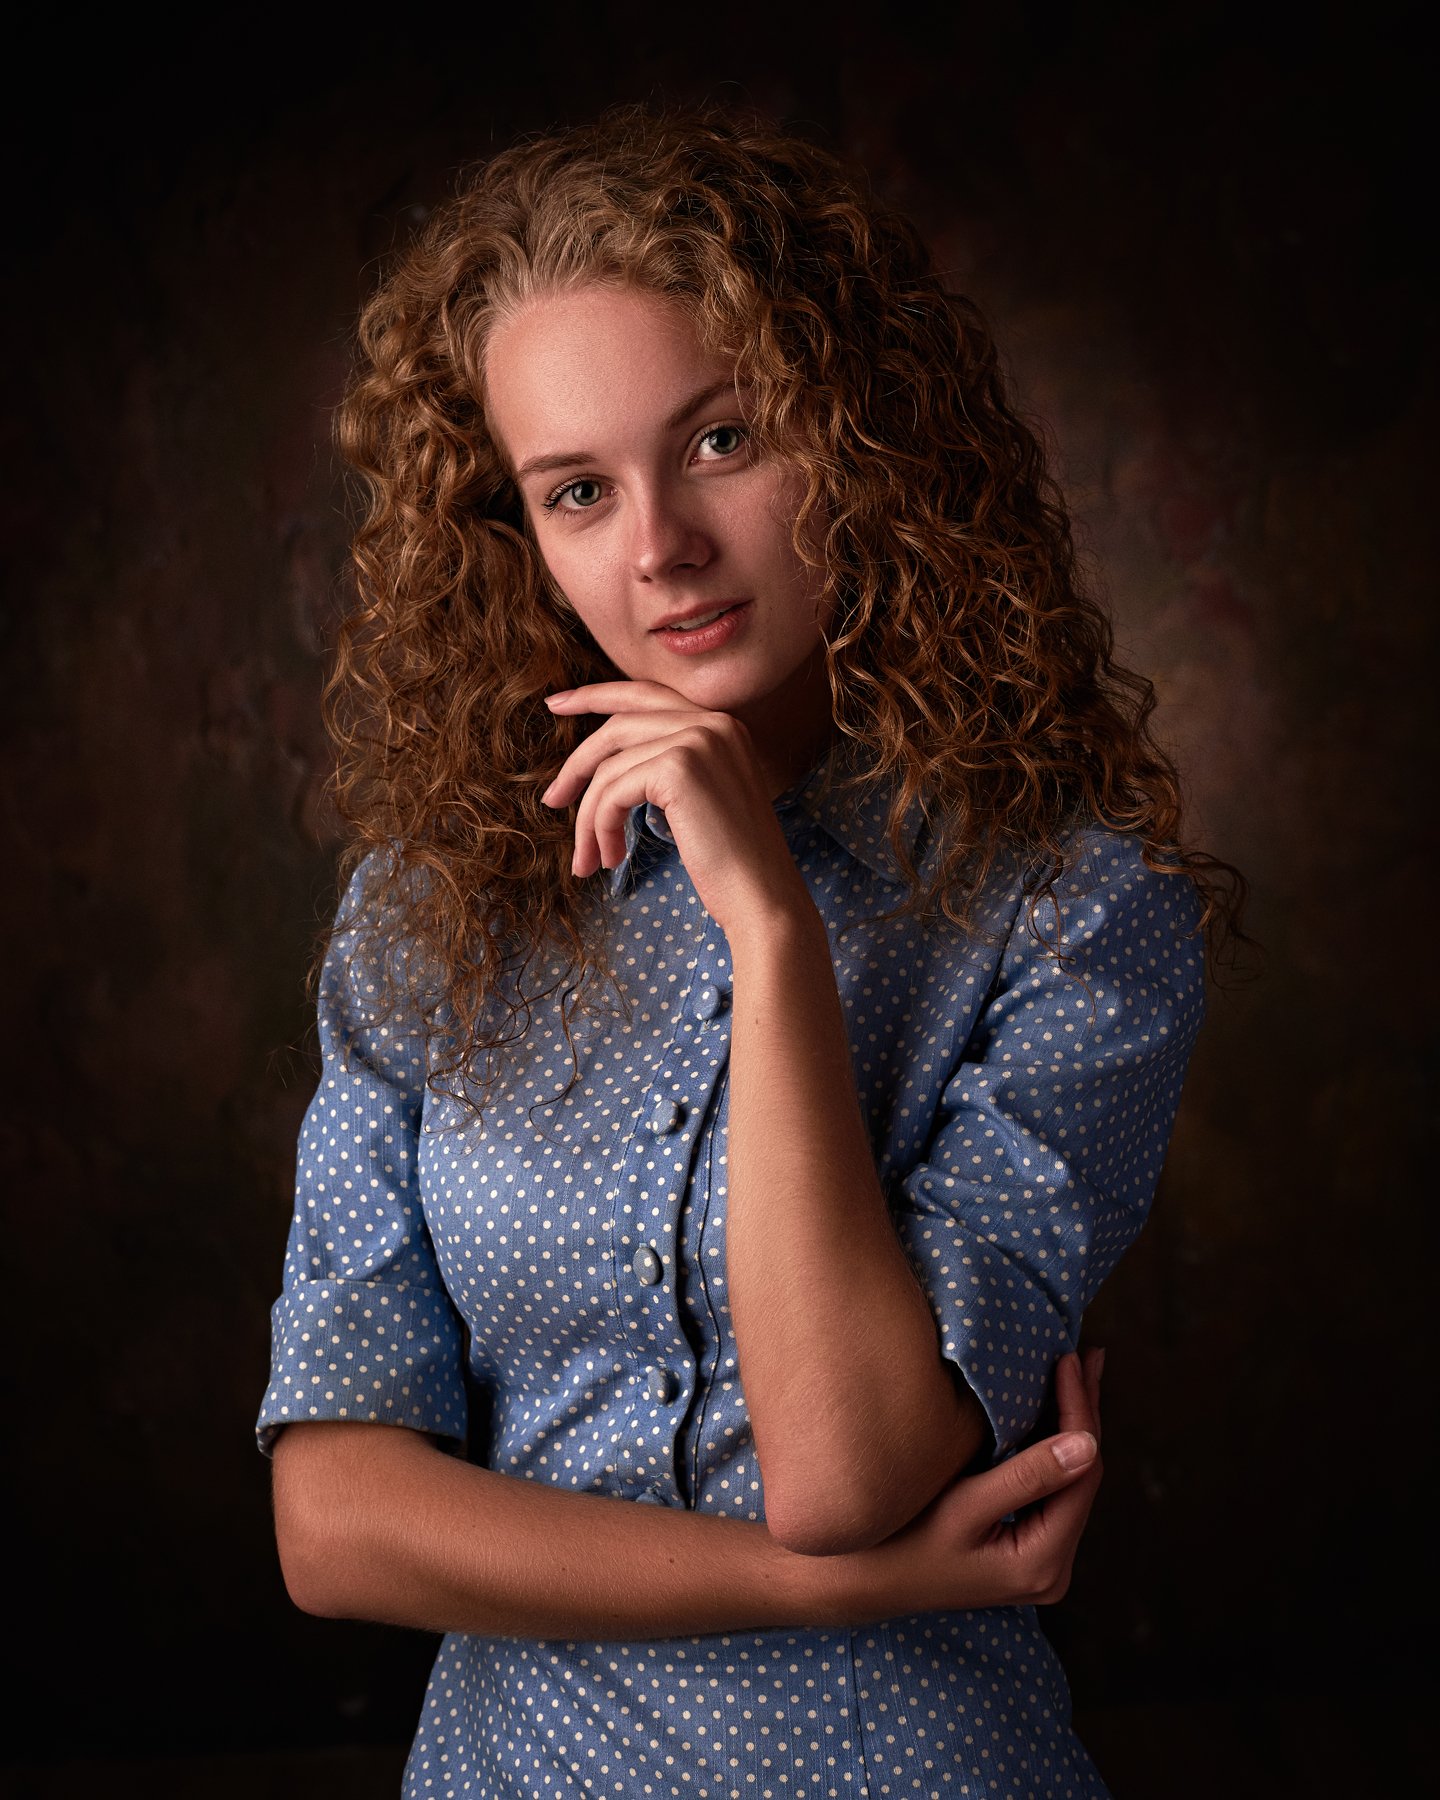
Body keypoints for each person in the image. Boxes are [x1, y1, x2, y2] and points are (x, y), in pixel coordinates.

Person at [257, 103, 1238, 1799]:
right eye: (578, 490)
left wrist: (773, 928)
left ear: (859, 435)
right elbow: (332, 1523)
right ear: (517, 537)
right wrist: (830, 1592)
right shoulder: (425, 914)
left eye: (722, 440)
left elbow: (848, 1473)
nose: (660, 548)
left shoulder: (1075, 909)